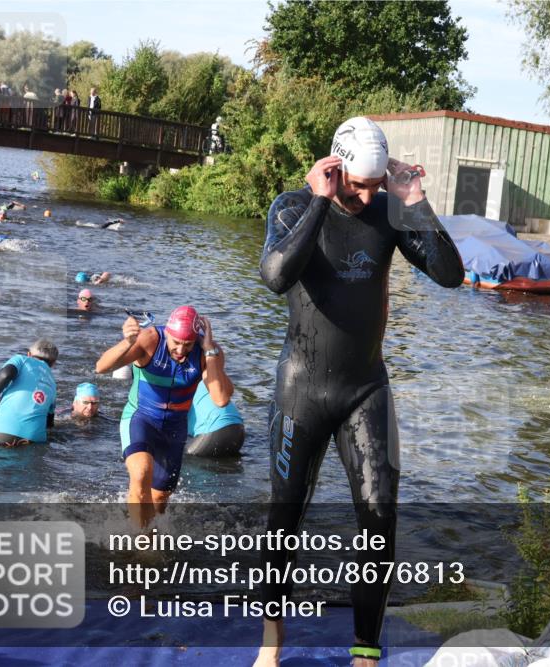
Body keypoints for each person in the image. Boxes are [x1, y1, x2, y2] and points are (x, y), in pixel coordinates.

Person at [255, 116, 463, 666]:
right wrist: (320, 202)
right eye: (359, 184)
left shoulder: (387, 213)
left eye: (377, 185)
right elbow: (275, 276)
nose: (369, 194)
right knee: (285, 515)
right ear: (334, 168)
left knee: (379, 518)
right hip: (301, 389)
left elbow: (450, 274)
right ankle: (271, 644)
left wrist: (414, 201)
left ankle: (365, 653)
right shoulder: (293, 207)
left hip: (364, 389)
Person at [94, 306, 233, 527]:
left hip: (175, 427)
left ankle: (146, 530)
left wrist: (209, 350)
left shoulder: (207, 353)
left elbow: (221, 399)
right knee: (141, 474)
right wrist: (128, 342)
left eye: (187, 344)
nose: (180, 349)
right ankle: (141, 545)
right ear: (167, 332)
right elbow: (101, 367)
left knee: (158, 500)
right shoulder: (150, 339)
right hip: (141, 418)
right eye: (176, 342)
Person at [0, 339, 58, 446]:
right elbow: (49, 423)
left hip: (0, 433)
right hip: (33, 440)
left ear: (29, 354)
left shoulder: (22, 360)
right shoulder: (53, 384)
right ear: (54, 363)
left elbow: (5, 375)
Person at [185, 381, 244, 456]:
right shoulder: (208, 377)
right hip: (238, 431)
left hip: (213, 433)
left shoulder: (175, 385)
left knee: (176, 453)